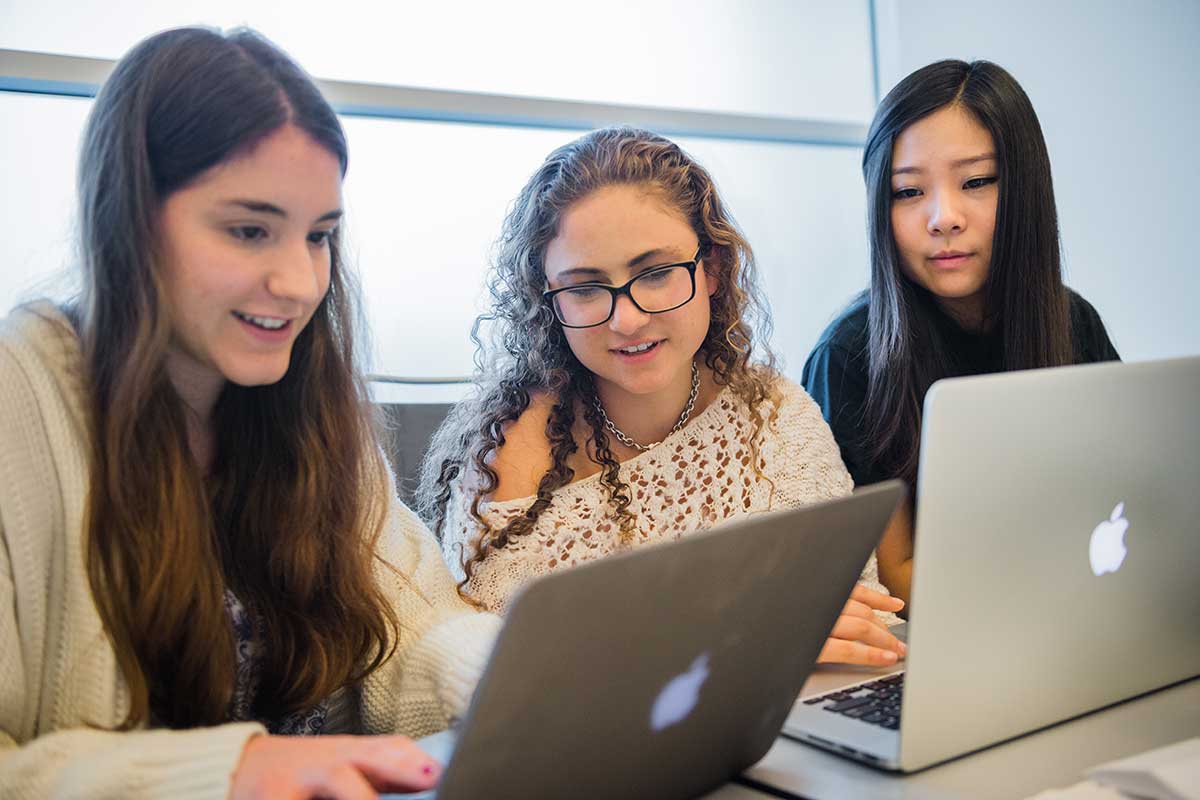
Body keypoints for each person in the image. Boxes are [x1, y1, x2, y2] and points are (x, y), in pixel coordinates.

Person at [0, 27, 499, 799]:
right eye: (249, 231)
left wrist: (514, 676)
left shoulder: (306, 406)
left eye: (319, 236)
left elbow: (414, 632)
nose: (300, 283)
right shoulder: (18, 404)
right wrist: (229, 771)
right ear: (128, 220)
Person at [417, 126, 906, 667]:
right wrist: (740, 639)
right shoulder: (508, 464)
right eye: (584, 288)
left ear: (714, 269)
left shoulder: (774, 413)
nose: (627, 319)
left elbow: (862, 620)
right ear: (547, 301)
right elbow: (509, 686)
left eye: (655, 273)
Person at [801, 60, 1120, 605]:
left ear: (1026, 189)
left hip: (1087, 615)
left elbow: (1124, 506)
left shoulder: (1073, 322)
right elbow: (895, 574)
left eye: (976, 182)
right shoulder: (850, 355)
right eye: (907, 192)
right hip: (937, 643)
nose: (943, 218)